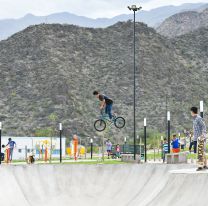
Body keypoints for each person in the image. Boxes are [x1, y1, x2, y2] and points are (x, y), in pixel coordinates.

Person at [190, 107, 207, 171]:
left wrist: (202, 135)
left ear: (192, 111)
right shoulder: (194, 119)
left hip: (200, 138)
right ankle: (205, 165)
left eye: (190, 112)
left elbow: (204, 126)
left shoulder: (198, 118)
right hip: (196, 138)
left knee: (200, 152)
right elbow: (196, 129)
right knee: (202, 152)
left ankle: (200, 166)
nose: (190, 113)